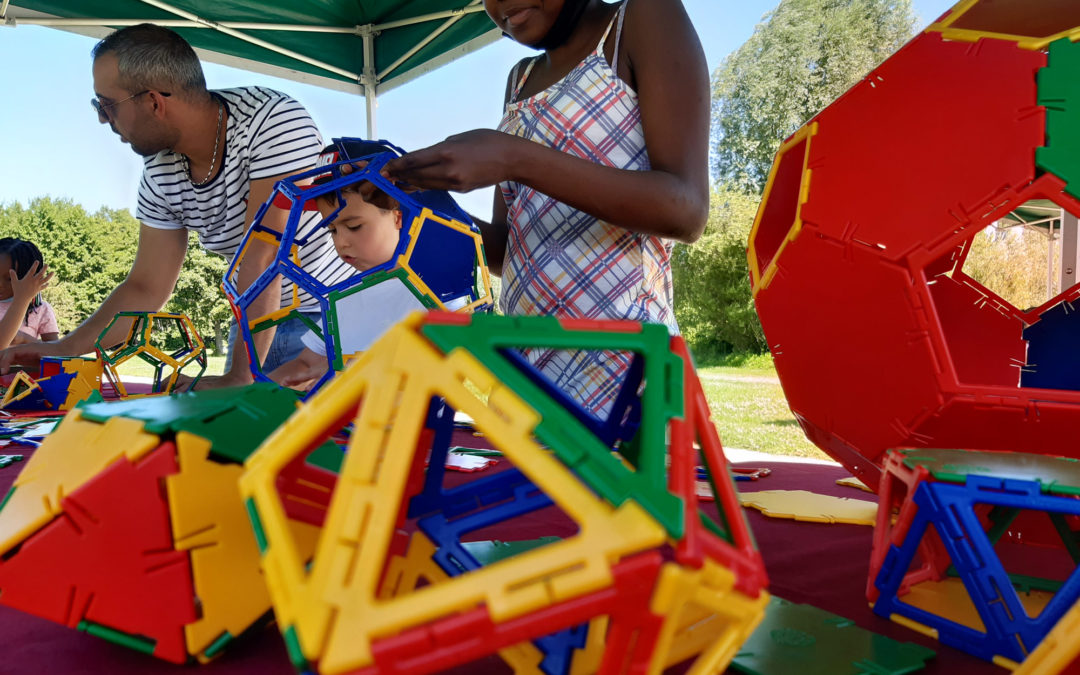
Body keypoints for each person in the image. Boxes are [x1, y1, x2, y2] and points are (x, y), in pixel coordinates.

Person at [382, 0, 709, 415]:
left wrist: (513, 158)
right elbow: (505, 250)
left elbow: (686, 209)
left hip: (626, 373)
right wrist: (410, 205)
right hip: (527, 378)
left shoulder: (641, 18)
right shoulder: (520, 80)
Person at [0, 23, 353, 384]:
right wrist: (66, 347)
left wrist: (238, 379)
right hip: (255, 322)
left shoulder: (272, 122)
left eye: (107, 105)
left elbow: (262, 256)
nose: (102, 119)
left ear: (154, 102)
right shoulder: (159, 169)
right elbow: (146, 287)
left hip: (337, 316)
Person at [268, 140, 405, 390]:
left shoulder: (440, 293)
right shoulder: (346, 298)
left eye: (354, 226)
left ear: (398, 216)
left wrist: (345, 370)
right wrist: (252, 394)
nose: (341, 242)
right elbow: (306, 364)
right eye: (332, 230)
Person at [0, 238, 58, 350]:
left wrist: (25, 339)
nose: (0, 284)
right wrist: (21, 300)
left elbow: (56, 352)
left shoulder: (40, 309)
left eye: (10, 279)